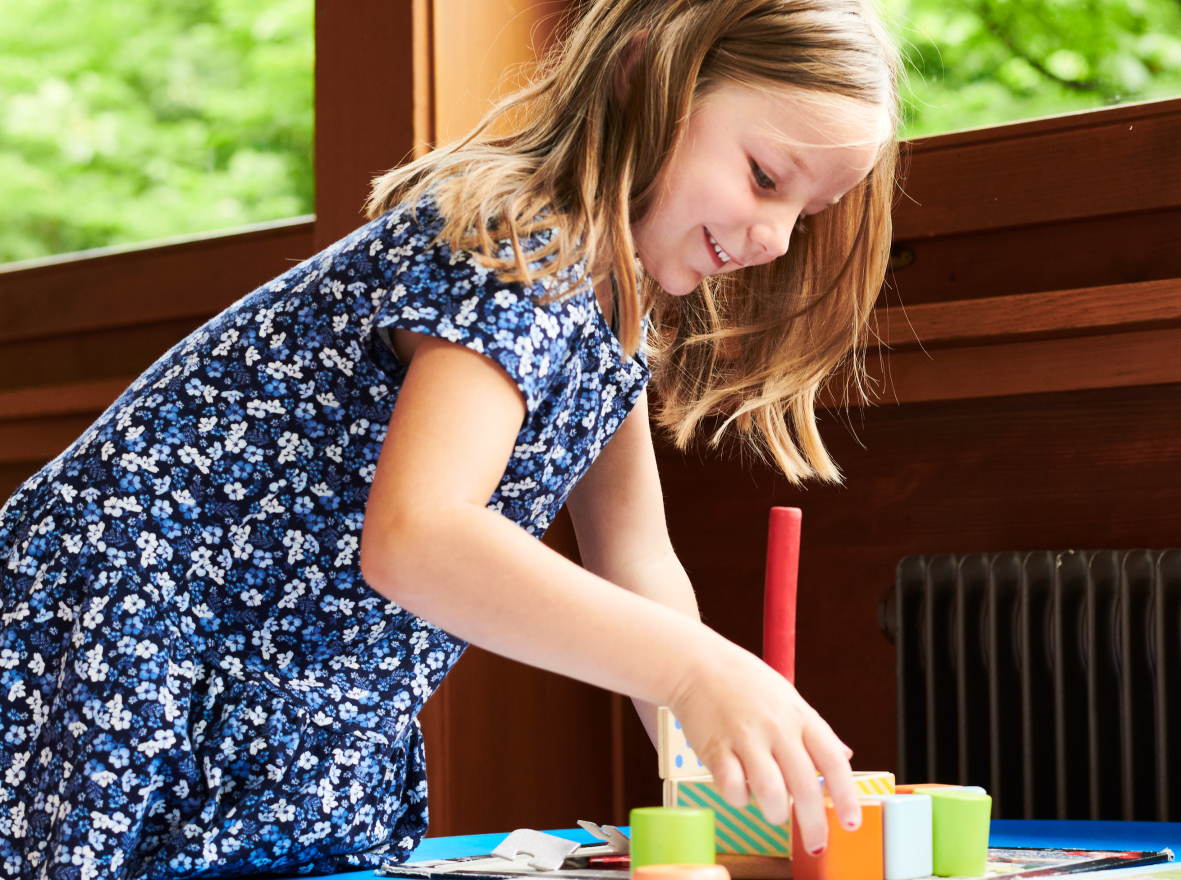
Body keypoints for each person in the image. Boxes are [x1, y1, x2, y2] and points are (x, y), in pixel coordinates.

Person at [0, 0, 901, 873]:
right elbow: (419, 538)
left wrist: (724, 772)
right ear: (645, 76)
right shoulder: (522, 241)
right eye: (766, 177)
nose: (777, 239)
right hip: (123, 639)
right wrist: (699, 675)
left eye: (806, 214)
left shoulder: (611, 311)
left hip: (258, 676)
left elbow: (635, 559)